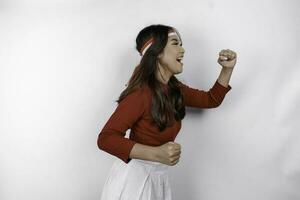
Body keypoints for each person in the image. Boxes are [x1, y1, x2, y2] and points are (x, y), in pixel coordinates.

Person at [97, 24, 236, 200]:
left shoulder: (174, 88)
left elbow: (211, 99)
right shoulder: (140, 94)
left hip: (158, 177)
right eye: (175, 43)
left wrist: (227, 69)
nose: (183, 49)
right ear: (158, 51)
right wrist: (156, 153)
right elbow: (106, 138)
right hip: (134, 182)